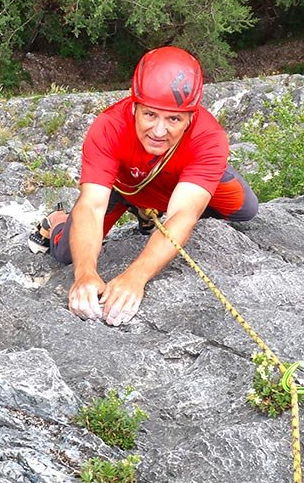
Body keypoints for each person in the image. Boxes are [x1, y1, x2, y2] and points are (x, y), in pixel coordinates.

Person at [28, 46, 258, 326]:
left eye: (174, 118)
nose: (159, 131)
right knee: (67, 254)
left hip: (177, 181)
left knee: (244, 209)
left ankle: (148, 208)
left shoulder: (208, 138)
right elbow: (92, 205)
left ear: (191, 117)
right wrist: (85, 274)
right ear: (134, 106)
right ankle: (56, 220)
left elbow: (182, 215)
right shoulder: (109, 127)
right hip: (123, 187)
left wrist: (136, 277)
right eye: (150, 115)